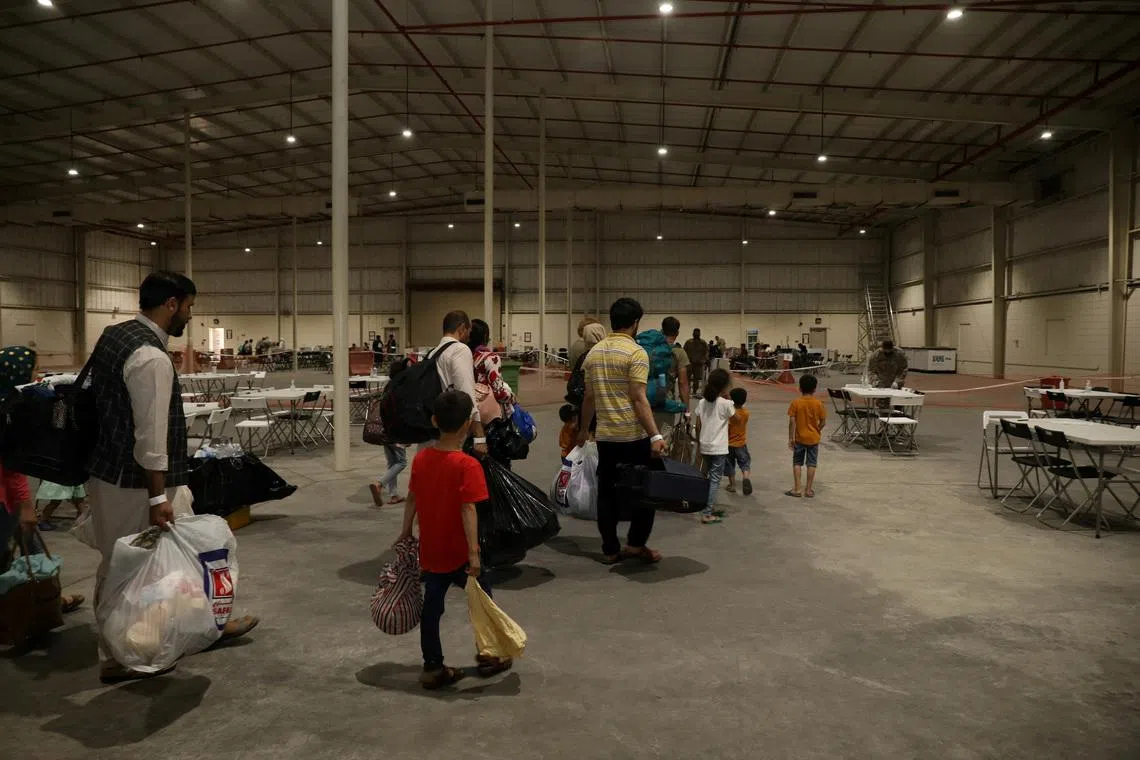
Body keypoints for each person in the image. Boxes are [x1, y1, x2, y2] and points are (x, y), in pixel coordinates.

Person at [86, 272, 258, 684]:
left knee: (176, 558)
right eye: (188, 307)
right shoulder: (150, 358)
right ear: (170, 304)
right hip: (136, 484)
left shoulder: (115, 334)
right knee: (129, 568)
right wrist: (155, 498)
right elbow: (151, 436)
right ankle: (119, 654)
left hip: (108, 474)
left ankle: (203, 626)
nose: (189, 315)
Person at [396, 390, 511, 689]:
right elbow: (468, 509)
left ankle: (432, 666)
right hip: (460, 553)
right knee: (483, 601)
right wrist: (473, 553)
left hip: (432, 550)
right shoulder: (467, 465)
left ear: (435, 421)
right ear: (465, 426)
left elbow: (413, 497)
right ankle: (490, 655)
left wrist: (406, 530)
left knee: (432, 608)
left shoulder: (421, 459)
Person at [578, 297, 666, 564]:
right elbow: (639, 397)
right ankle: (636, 545)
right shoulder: (637, 353)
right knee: (644, 491)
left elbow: (589, 398)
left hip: (606, 437)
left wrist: (583, 430)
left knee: (607, 492)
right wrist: (656, 435)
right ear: (636, 322)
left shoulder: (593, 354)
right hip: (634, 436)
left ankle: (610, 549)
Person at [0, 346, 84, 614]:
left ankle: (48, 596)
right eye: (34, 370)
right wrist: (25, 505)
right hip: (5, 499)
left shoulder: (11, 403)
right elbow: (10, 466)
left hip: (8, 497)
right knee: (14, 549)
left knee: (30, 546)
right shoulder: (8, 411)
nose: (38, 376)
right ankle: (39, 602)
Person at [429, 311, 487, 457]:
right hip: (453, 436)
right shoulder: (460, 350)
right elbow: (467, 395)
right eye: (468, 331)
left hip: (434, 432)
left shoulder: (432, 353)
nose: (469, 336)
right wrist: (479, 438)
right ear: (461, 328)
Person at [694, 368, 734, 525]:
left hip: (704, 445)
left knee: (706, 477)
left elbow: (697, 425)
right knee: (715, 480)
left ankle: (703, 506)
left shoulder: (702, 402)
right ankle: (708, 512)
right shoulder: (726, 403)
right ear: (724, 387)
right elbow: (736, 417)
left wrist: (699, 441)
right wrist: (729, 397)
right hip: (719, 448)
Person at [370, 359, 410, 506]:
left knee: (392, 462)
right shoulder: (402, 388)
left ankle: (393, 495)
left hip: (384, 431)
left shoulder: (388, 386)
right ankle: (380, 484)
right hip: (396, 431)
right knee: (401, 462)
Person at [787, 374, 826, 499]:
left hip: (799, 438)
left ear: (799, 388)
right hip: (813, 439)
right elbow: (823, 421)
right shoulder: (819, 403)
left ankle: (797, 489)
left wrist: (791, 438)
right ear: (815, 389)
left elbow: (792, 421)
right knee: (811, 463)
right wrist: (816, 430)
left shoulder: (795, 403)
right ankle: (809, 490)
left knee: (797, 462)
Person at [468, 318, 515, 420]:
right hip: (485, 414)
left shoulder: (461, 355)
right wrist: (512, 397)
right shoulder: (490, 357)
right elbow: (500, 393)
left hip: (465, 410)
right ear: (485, 337)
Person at [723, 387, 752, 496]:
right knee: (745, 463)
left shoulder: (730, 414)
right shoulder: (746, 413)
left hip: (728, 444)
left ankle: (732, 485)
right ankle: (745, 477)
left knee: (730, 465)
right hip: (741, 444)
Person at [660, 317, 691, 409]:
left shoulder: (650, 349)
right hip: (666, 400)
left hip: (646, 399)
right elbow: (682, 383)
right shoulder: (679, 352)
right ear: (677, 333)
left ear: (662, 331)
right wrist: (687, 410)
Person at [683, 328, 709, 392]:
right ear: (693, 334)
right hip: (688, 363)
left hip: (698, 364)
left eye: (697, 333)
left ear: (700, 334)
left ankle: (695, 391)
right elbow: (684, 351)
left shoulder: (703, 343)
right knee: (687, 378)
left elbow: (706, 352)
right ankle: (687, 390)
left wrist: (704, 360)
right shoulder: (688, 342)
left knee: (696, 378)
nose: (696, 334)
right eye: (695, 333)